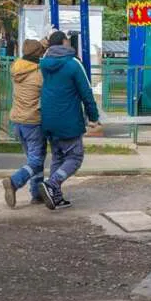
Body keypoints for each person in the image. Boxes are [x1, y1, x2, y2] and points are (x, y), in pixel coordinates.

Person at [39, 30, 100, 210]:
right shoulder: (73, 64)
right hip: (68, 119)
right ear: (64, 42)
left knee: (58, 157)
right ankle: (52, 184)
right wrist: (93, 117)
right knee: (75, 157)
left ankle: (56, 197)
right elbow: (86, 92)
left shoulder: (44, 64)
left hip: (48, 118)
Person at [2, 37, 49, 208]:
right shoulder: (39, 74)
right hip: (33, 121)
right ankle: (14, 182)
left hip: (17, 121)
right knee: (36, 161)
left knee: (32, 159)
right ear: (38, 55)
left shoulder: (17, 67)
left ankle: (36, 195)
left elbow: (34, 52)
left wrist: (44, 44)